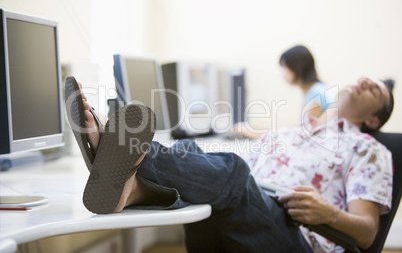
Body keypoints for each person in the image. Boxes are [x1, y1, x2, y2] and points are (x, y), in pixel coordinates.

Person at [65, 76, 394, 252]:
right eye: (366, 78)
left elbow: (366, 235)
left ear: (373, 119)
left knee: (234, 173)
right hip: (254, 208)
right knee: (191, 149)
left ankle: (123, 150)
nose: (366, 80)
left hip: (299, 236)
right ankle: (132, 190)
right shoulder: (297, 131)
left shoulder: (368, 149)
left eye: (376, 89)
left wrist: (329, 213)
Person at [280, 45, 334, 118]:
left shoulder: (316, 92)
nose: (283, 73)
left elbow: (305, 127)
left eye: (285, 67)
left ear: (297, 67)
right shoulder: (312, 90)